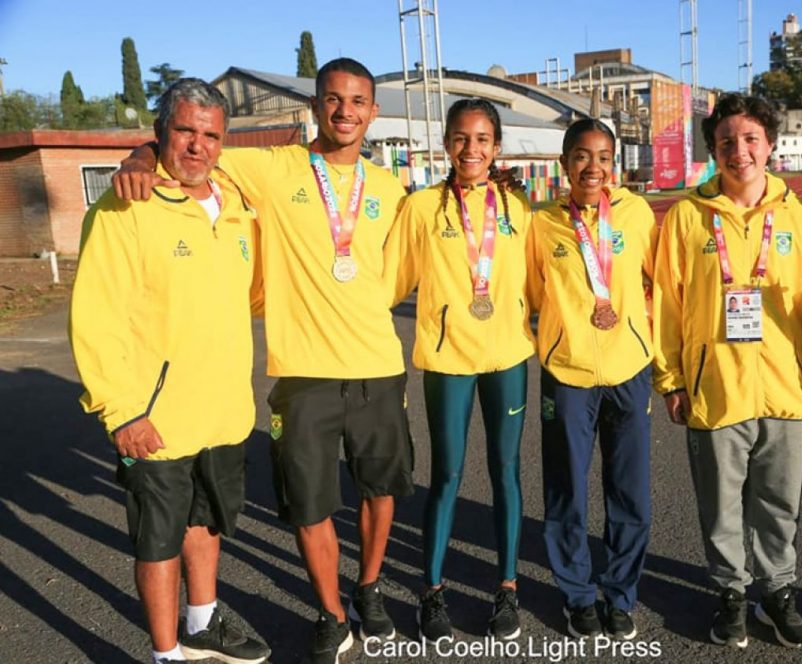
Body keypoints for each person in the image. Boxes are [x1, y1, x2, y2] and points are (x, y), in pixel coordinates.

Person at [113, 58, 414, 663]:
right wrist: (143, 154)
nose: (345, 111)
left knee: (381, 491)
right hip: (303, 374)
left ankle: (370, 590)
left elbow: (399, 272)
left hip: (379, 365)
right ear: (315, 106)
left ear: (373, 111)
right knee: (309, 503)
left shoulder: (389, 188)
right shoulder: (275, 168)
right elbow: (195, 151)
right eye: (333, 99)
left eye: (358, 101)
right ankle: (331, 614)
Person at [69, 78, 271, 664]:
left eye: (210, 134)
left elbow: (250, 297)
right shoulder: (125, 206)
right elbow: (94, 315)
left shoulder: (235, 205)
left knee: (205, 522)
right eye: (184, 130)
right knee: (158, 541)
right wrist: (122, 409)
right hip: (153, 418)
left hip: (224, 413)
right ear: (159, 133)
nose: (197, 145)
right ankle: (165, 655)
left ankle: (202, 624)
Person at [652, 93, 802, 650]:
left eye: (750, 139)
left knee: (779, 502)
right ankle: (731, 592)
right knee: (721, 505)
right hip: (715, 386)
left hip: (785, 389)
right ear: (713, 150)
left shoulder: (799, 218)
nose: (739, 151)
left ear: (769, 144)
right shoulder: (685, 215)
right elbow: (667, 306)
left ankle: (778, 591)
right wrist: (670, 378)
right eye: (727, 142)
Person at [384, 98, 534, 643]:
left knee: (506, 472)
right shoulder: (422, 207)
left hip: (508, 359)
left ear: (497, 147)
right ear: (446, 144)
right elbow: (387, 284)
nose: (472, 149)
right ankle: (431, 591)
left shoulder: (517, 209)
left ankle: (508, 589)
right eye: (461, 138)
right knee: (446, 474)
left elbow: (537, 284)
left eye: (482, 139)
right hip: (448, 361)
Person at [526, 118, 657, 641]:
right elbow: (532, 295)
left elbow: (657, 283)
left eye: (604, 157)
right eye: (582, 156)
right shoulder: (544, 225)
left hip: (629, 370)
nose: (594, 167)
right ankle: (578, 595)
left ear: (615, 165)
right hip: (569, 373)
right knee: (568, 493)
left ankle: (621, 595)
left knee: (630, 493)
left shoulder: (638, 214)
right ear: (564, 164)